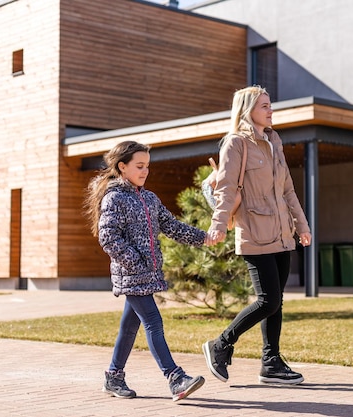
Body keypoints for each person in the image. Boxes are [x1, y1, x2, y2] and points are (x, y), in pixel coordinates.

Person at [84, 140, 214, 401]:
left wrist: (204, 237)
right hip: (132, 274)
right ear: (122, 167)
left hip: (147, 274)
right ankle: (175, 378)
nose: (145, 171)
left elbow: (172, 226)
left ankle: (113, 377)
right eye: (139, 166)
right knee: (153, 322)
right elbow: (108, 237)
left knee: (129, 327)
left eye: (147, 166)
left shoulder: (150, 198)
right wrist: (135, 263)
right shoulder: (114, 198)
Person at [203, 85, 312, 385]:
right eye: (264, 105)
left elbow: (287, 189)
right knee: (268, 301)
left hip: (281, 234)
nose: (270, 109)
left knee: (277, 302)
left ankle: (271, 362)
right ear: (248, 109)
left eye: (270, 104)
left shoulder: (274, 140)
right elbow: (225, 189)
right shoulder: (236, 144)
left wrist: (301, 226)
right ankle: (221, 344)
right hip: (253, 232)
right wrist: (217, 223)